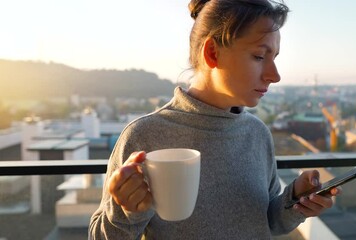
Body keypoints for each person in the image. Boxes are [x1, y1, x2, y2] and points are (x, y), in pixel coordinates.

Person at [89, 0, 340, 239]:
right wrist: (126, 212)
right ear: (212, 52)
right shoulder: (145, 135)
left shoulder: (257, 133)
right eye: (259, 56)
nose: (275, 76)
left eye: (274, 58)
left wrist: (295, 198)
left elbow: (269, 222)